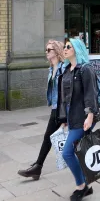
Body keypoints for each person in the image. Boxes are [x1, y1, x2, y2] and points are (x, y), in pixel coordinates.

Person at [17, 40, 67, 180]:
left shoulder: (64, 68)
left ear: (56, 51)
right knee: (48, 138)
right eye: (46, 49)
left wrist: (66, 118)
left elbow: (67, 93)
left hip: (63, 110)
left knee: (72, 140)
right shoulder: (52, 69)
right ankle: (37, 167)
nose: (46, 52)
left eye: (49, 50)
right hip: (56, 108)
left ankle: (38, 167)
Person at [58, 38, 99, 201]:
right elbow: (66, 97)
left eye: (68, 47)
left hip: (83, 117)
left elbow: (91, 94)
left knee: (67, 152)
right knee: (75, 151)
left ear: (76, 49)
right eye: (64, 47)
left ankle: (81, 186)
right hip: (72, 117)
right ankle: (85, 184)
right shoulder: (68, 69)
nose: (65, 49)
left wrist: (90, 116)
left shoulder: (85, 69)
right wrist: (64, 118)